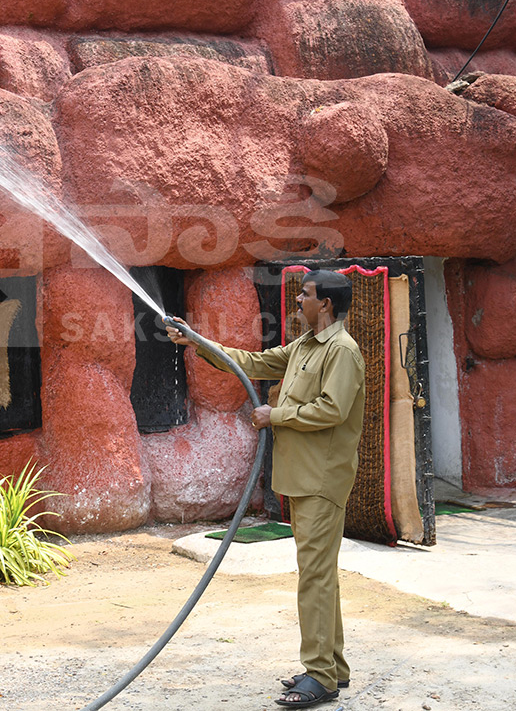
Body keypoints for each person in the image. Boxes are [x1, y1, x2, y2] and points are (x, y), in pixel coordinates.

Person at [166, 269, 366, 708]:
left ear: (326, 304)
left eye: (306, 296)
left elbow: (332, 409)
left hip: (322, 478)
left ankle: (320, 677)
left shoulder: (342, 351)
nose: (298, 301)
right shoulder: (305, 346)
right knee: (320, 573)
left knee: (313, 575)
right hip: (302, 476)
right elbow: (254, 363)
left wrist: (274, 415)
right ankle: (333, 666)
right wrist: (198, 342)